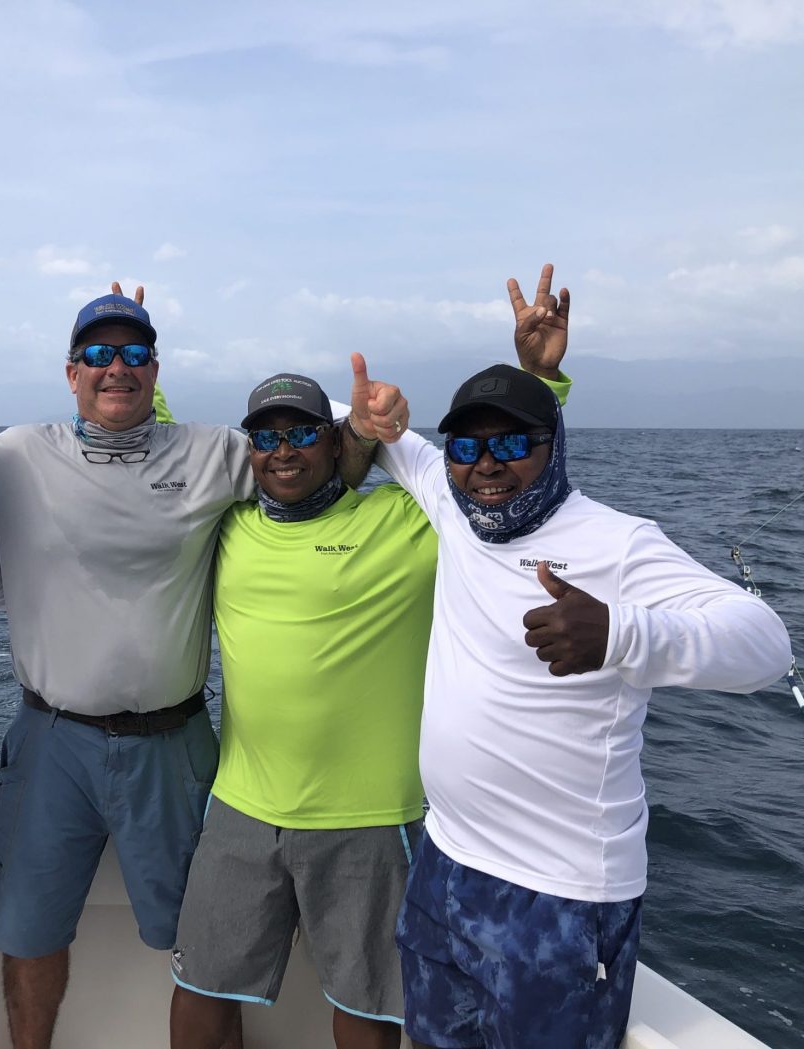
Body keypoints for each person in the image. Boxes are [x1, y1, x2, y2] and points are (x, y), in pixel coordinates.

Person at [0, 287, 408, 1049]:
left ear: (155, 370)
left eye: (135, 353)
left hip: (173, 740)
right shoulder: (12, 456)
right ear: (71, 372)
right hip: (50, 738)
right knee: (30, 933)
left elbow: (312, 471)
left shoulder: (215, 452)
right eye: (99, 354)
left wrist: (365, 432)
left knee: (214, 944)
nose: (118, 366)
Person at [362, 270, 793, 1049]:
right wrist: (377, 414)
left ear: (553, 445)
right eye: (467, 446)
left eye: (512, 444)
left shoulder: (617, 542)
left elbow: (765, 641)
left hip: (560, 896)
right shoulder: (453, 504)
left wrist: (621, 633)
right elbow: (351, 417)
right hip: (442, 863)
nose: (486, 464)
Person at [168, 279, 573, 1049]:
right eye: (266, 437)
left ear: (336, 442)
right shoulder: (229, 528)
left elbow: (506, 483)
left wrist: (541, 377)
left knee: (368, 1007)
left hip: (372, 817)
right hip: (241, 806)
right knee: (200, 986)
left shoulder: (407, 520)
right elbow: (146, 472)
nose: (283, 449)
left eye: (302, 432)